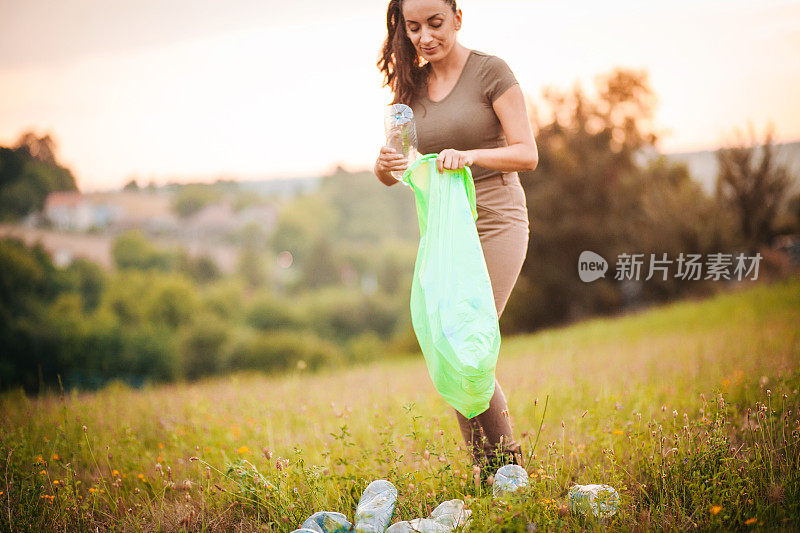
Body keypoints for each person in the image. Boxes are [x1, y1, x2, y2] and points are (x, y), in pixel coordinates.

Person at [373, 0, 538, 484]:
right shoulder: (410, 89)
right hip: (446, 227)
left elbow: (527, 153)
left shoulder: (491, 72)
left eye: (436, 24)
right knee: (449, 350)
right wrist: (384, 167)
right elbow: (397, 167)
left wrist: (468, 155)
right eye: (414, 27)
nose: (425, 37)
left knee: (468, 344)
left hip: (497, 216)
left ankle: (509, 475)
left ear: (458, 17)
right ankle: (492, 480)